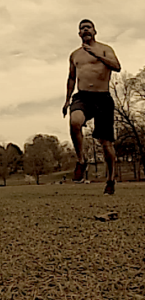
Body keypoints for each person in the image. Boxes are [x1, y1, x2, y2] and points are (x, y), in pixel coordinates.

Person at [62, 19, 121, 195]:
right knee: (74, 122)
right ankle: (81, 160)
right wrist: (67, 100)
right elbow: (71, 77)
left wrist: (96, 55)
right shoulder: (74, 55)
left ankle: (110, 179)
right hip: (83, 97)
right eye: (82, 28)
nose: (85, 30)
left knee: (106, 144)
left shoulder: (105, 49)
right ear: (79, 34)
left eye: (88, 27)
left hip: (103, 97)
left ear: (94, 31)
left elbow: (117, 67)